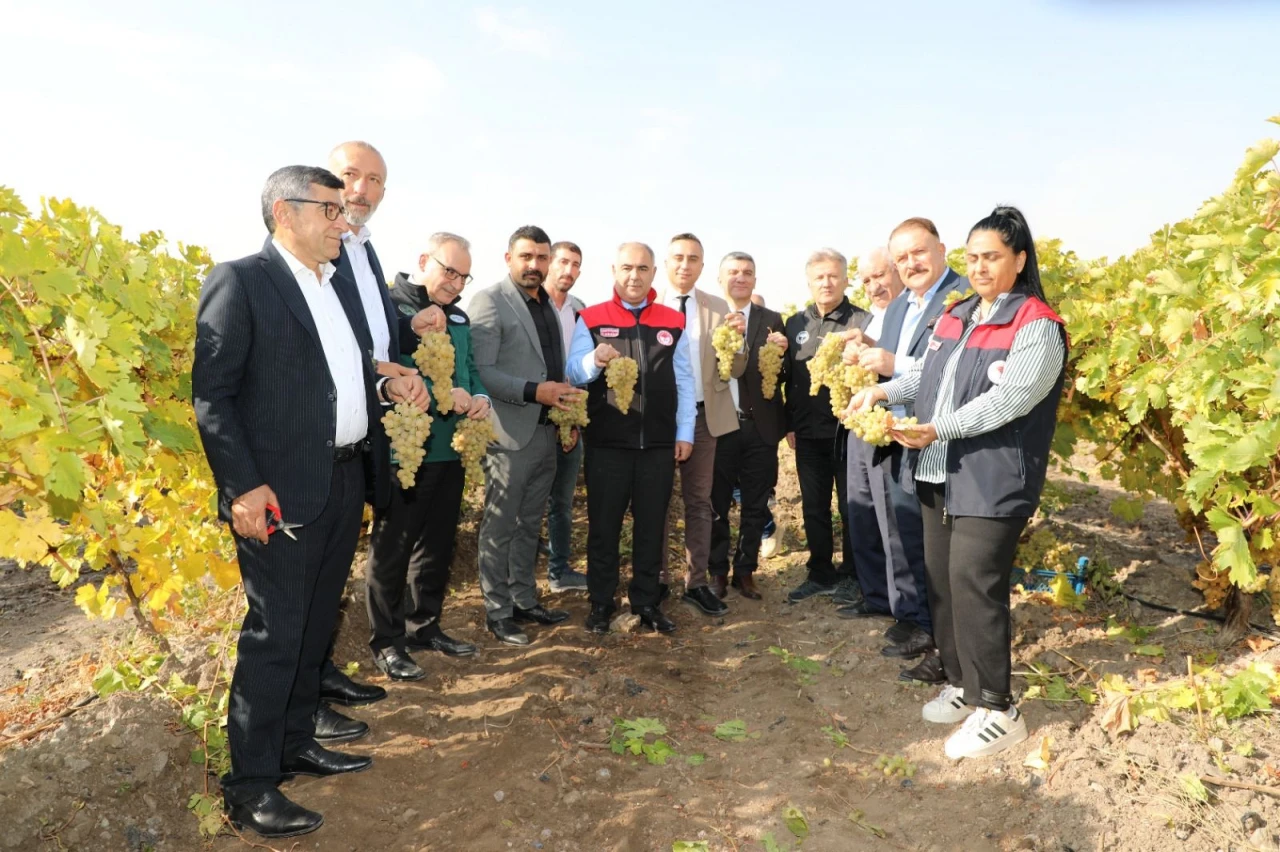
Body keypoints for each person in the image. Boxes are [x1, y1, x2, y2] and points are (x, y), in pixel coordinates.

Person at [193, 165, 426, 838]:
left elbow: (346, 379)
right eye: (328, 209)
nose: (342, 221)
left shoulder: (337, 288)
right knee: (275, 636)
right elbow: (213, 395)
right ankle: (252, 786)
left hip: (342, 479)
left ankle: (296, 741)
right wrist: (242, 484)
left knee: (315, 622)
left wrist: (388, 392)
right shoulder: (241, 281)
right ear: (283, 214)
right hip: (276, 493)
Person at [848, 205, 1066, 760]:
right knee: (942, 580)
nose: (980, 267)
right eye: (973, 257)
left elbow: (1011, 399)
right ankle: (963, 686)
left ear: (1019, 259)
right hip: (940, 469)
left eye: (992, 256)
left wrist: (938, 426)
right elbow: (926, 371)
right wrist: (884, 391)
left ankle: (999, 706)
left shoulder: (1036, 323)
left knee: (976, 582)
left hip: (993, 478)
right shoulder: (960, 313)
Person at [310, 140, 442, 740]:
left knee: (334, 561)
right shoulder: (314, 252)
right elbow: (326, 341)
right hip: (325, 430)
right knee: (313, 569)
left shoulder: (361, 248)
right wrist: (379, 367)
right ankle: (304, 692)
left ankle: (319, 672)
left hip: (371, 422)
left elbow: (373, 330)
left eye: (374, 181)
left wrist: (405, 331)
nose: (361, 190)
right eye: (350, 177)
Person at [838, 218, 965, 667]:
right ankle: (913, 616)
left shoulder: (960, 299)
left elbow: (952, 366)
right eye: (903, 257)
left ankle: (935, 626)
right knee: (901, 526)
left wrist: (893, 362)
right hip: (895, 428)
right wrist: (867, 351)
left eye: (919, 252)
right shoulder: (898, 307)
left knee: (928, 535)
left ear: (942, 249)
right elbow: (889, 364)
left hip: (935, 433)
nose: (911, 263)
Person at [364, 233, 489, 679]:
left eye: (463, 276)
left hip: (448, 449)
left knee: (436, 546)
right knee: (393, 548)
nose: (455, 283)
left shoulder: (458, 315)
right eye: (448, 270)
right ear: (423, 260)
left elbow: (469, 370)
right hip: (406, 449)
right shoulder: (389, 305)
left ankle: (425, 626)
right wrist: (441, 392)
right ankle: (386, 640)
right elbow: (383, 369)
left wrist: (479, 397)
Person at [566, 242, 695, 634]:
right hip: (607, 444)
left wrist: (685, 431)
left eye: (642, 268)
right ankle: (601, 603)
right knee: (603, 527)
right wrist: (594, 360)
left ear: (654, 273)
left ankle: (646, 601)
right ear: (614, 271)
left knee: (651, 527)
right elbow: (573, 373)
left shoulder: (673, 321)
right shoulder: (589, 318)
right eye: (626, 268)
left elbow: (686, 381)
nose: (634, 276)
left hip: (657, 444)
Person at [470, 226, 578, 646]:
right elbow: (484, 371)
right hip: (507, 435)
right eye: (526, 257)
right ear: (508, 258)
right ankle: (497, 612)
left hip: (546, 431)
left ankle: (524, 599)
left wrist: (564, 418)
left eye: (541, 257)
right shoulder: (490, 301)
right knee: (499, 526)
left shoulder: (547, 305)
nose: (534, 265)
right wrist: (536, 392)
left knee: (530, 523)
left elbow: (553, 368)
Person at [655, 233, 735, 617]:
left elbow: (734, 368)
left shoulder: (718, 308)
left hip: (703, 419)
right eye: (678, 258)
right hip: (657, 419)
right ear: (665, 263)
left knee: (699, 502)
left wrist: (737, 344)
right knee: (656, 501)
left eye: (693, 259)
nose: (685, 265)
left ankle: (696, 583)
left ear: (703, 266)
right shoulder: (648, 305)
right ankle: (654, 579)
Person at [782, 249, 869, 604]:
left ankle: (852, 574)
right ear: (809, 282)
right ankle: (820, 572)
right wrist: (789, 424)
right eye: (819, 277)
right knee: (813, 507)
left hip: (848, 433)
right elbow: (787, 377)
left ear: (846, 280)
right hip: (805, 433)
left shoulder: (863, 322)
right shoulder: (794, 324)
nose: (826, 283)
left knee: (851, 506)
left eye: (833, 276)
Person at [708, 252, 788, 600]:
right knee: (717, 504)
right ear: (719, 278)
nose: (740, 278)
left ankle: (745, 570)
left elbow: (781, 376)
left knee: (756, 504)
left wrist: (782, 354)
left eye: (747, 273)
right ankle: (716, 571)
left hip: (761, 428)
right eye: (733, 272)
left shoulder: (772, 319)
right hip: (720, 426)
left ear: (755, 280)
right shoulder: (707, 318)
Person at [831, 247, 903, 619]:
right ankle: (874, 595)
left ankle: (899, 604)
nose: (874, 286)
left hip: (889, 428)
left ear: (897, 271)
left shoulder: (911, 313)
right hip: (861, 427)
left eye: (880, 276)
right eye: (867, 281)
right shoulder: (872, 318)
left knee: (890, 520)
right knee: (862, 513)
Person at [542, 241, 589, 592]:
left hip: (569, 414)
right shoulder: (529, 304)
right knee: (526, 500)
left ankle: (559, 572)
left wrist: (573, 417)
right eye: (562, 262)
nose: (568, 271)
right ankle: (514, 577)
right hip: (533, 414)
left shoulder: (580, 310)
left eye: (575, 265)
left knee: (562, 500)